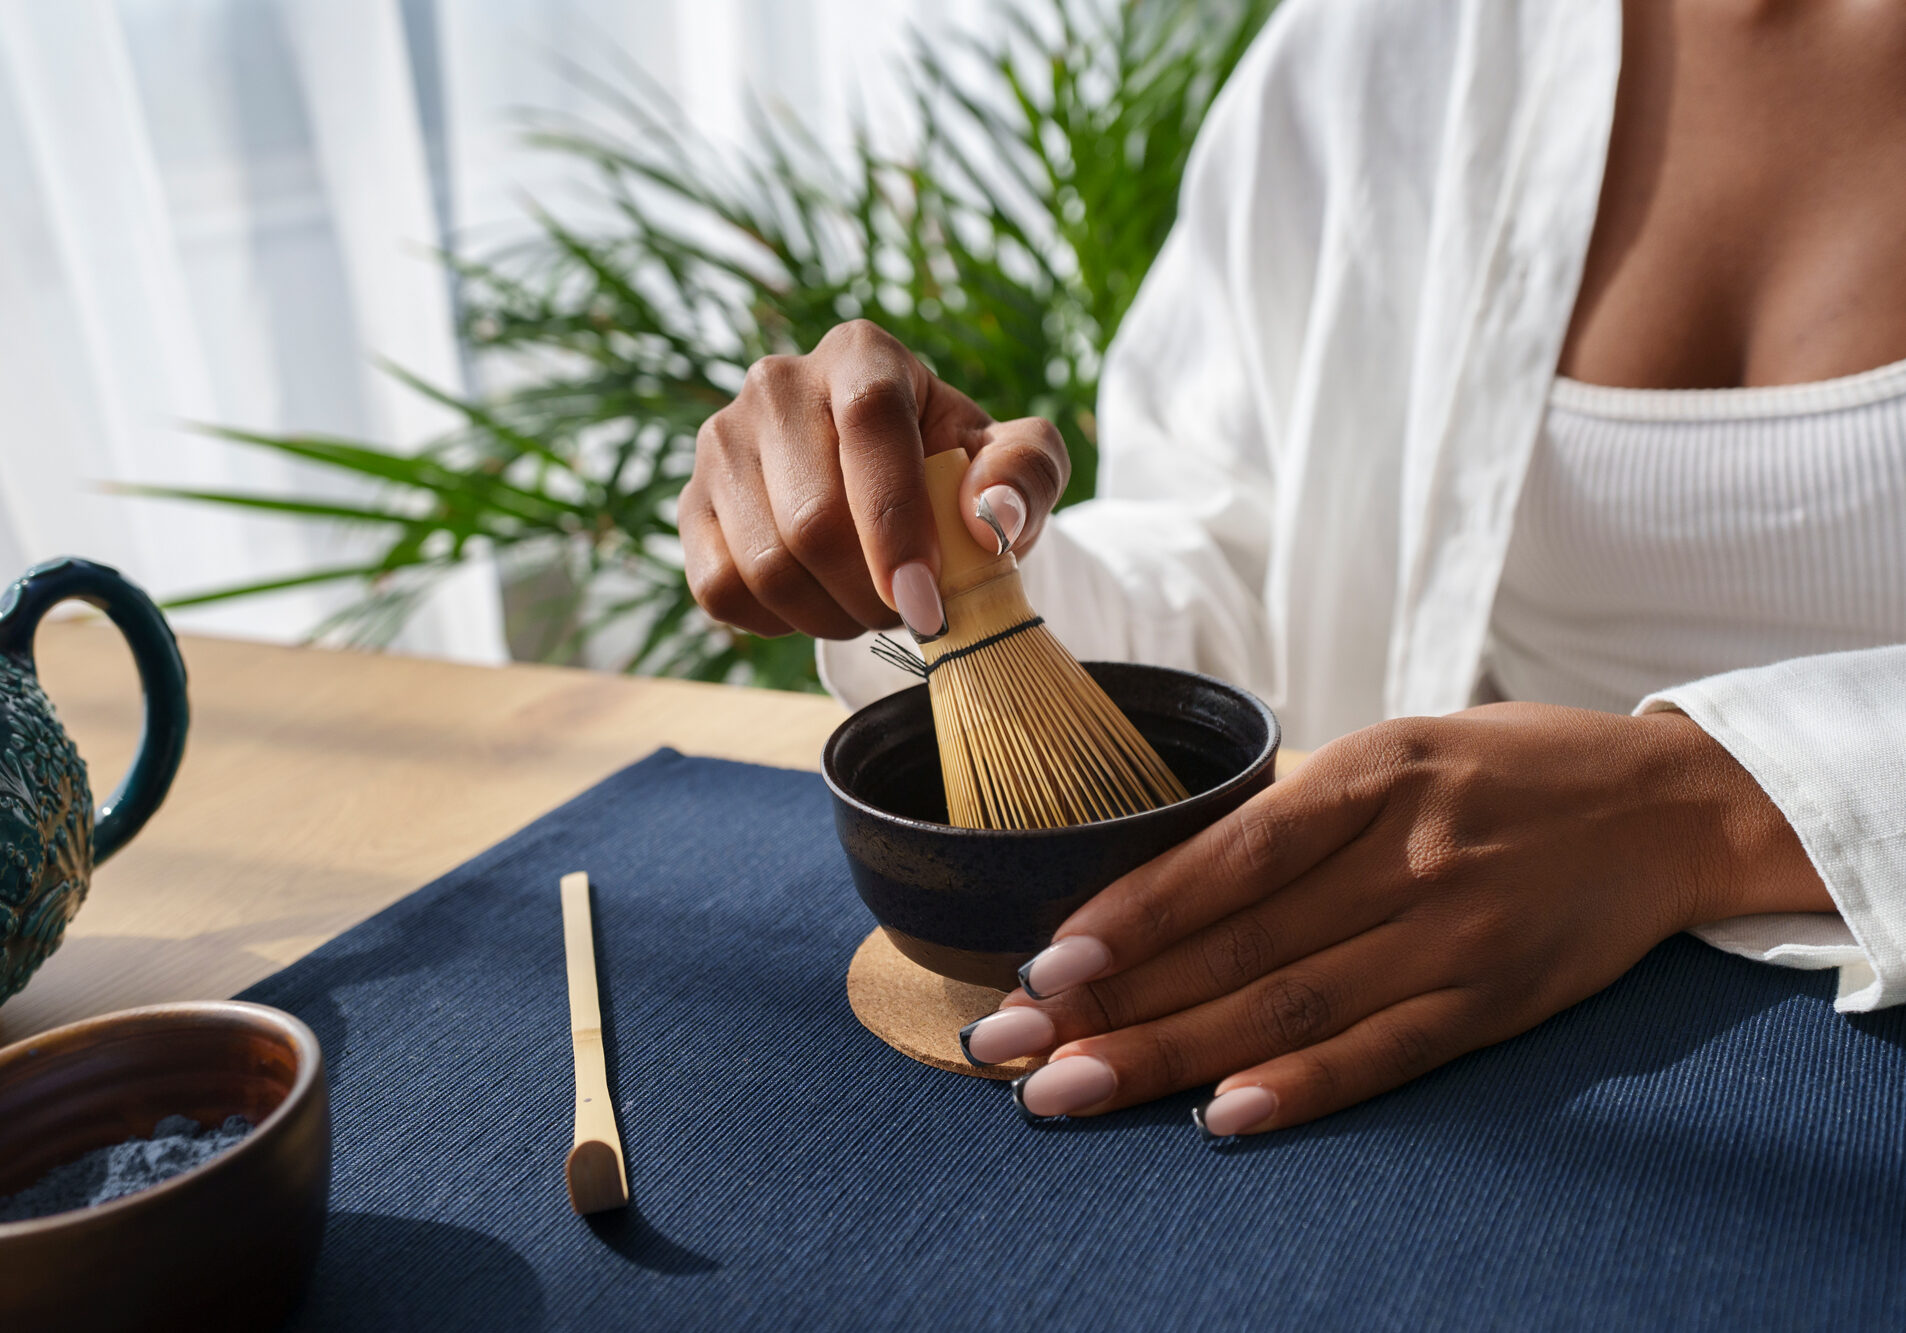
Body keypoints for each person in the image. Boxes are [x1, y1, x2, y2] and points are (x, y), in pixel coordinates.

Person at [679, 0, 1906, 1138]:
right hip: (1435, 1003)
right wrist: (926, 551)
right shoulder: (1393, 43)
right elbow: (1238, 562)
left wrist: (1694, 807)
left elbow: (1661, 812)